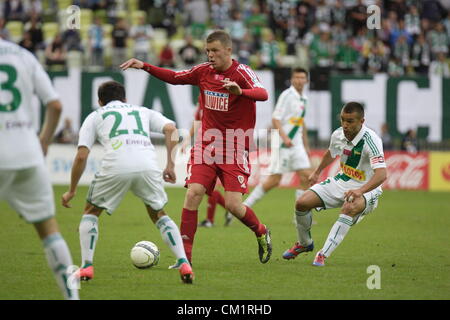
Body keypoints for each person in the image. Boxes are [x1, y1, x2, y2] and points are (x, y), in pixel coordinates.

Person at [120, 30, 272, 266]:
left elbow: (263, 94)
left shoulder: (242, 72)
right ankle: (184, 260)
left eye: (215, 51)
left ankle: (261, 231)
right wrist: (145, 66)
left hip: (234, 145)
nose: (210, 55)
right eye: (208, 51)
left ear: (228, 50)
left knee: (233, 205)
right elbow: (174, 76)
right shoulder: (203, 71)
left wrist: (240, 92)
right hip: (206, 145)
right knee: (193, 194)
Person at [61, 81, 194, 284]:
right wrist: (169, 164)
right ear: (125, 99)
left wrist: (71, 190)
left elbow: (81, 156)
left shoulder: (96, 116)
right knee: (159, 213)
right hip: (147, 165)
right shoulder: (141, 111)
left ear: (99, 101)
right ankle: (183, 262)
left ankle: (87, 267)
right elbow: (171, 128)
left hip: (116, 165)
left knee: (91, 211)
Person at [0, 37, 79, 300]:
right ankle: (72, 297)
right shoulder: (24, 56)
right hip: (27, 152)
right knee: (49, 231)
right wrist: (43, 142)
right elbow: (55, 105)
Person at [282, 102, 387, 266]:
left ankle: (323, 254)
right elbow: (331, 152)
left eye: (350, 121)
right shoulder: (338, 134)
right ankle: (304, 243)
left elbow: (382, 175)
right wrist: (317, 171)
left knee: (349, 208)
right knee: (302, 202)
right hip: (342, 180)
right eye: (343, 120)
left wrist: (360, 191)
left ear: (362, 121)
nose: (345, 125)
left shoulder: (372, 141)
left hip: (367, 188)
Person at [243, 68, 313, 210]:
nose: (299, 80)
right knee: (274, 180)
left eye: (302, 78)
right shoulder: (287, 95)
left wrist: (306, 146)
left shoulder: (304, 98)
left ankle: (300, 214)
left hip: (297, 144)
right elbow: (275, 119)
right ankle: (243, 207)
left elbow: (301, 122)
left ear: (306, 81)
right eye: (297, 77)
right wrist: (285, 138)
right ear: (292, 80)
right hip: (283, 144)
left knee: (307, 176)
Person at [181, 96, 227, 228]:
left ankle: (211, 219)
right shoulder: (202, 98)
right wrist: (187, 139)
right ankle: (225, 213)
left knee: (214, 188)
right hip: (204, 148)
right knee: (208, 188)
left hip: (223, 147)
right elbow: (197, 121)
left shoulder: (220, 98)